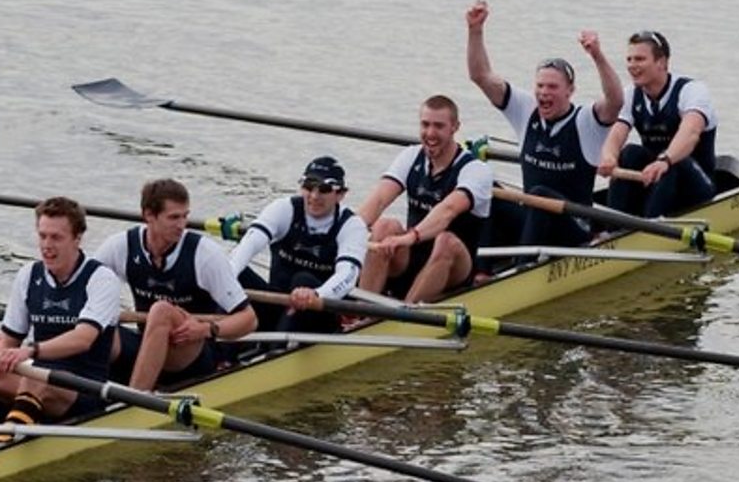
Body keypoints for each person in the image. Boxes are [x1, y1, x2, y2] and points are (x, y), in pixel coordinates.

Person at [466, 0, 623, 260]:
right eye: (540, 86)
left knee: (539, 197)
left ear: (570, 91)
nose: (543, 93)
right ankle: (480, 270)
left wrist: (597, 55)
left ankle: (521, 270)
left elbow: (616, 101)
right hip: (534, 218)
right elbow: (480, 76)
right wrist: (475, 31)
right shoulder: (525, 109)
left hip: (575, 227)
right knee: (486, 186)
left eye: (552, 87)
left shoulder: (586, 121)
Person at [0, 197, 121, 446]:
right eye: (42, 236)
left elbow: (84, 339)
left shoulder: (101, 278)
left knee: (34, 375)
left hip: (84, 389)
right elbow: (10, 337)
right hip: (39, 379)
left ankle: (3, 446)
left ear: (77, 238)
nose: (47, 246)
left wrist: (31, 350)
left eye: (56, 238)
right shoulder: (28, 275)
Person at [95, 178, 257, 391]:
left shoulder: (204, 254)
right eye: (173, 218)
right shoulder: (120, 246)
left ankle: (135, 401)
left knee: (161, 310)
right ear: (149, 216)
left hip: (191, 355)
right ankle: (81, 397)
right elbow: (82, 289)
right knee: (94, 325)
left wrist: (206, 329)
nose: (182, 225)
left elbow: (249, 319)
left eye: (185, 216)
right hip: (148, 344)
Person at [357, 95, 494, 302]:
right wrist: (347, 228)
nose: (430, 133)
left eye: (439, 126)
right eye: (425, 124)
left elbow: (447, 211)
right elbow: (379, 199)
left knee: (445, 241)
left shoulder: (476, 170)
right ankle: (361, 311)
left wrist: (409, 237)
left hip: (454, 267)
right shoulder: (411, 156)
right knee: (385, 226)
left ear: (455, 127)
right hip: (412, 257)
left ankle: (404, 315)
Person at [229, 156, 368, 333]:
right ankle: (221, 352)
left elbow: (347, 276)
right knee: (227, 272)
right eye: (309, 187)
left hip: (320, 312)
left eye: (324, 189)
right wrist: (228, 276)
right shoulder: (283, 209)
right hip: (276, 304)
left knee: (302, 279)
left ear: (340, 194)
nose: (314, 196)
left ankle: (276, 351)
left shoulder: (352, 226)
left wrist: (317, 295)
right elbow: (250, 244)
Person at [599, 30, 718, 217]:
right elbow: (617, 133)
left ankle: (649, 226)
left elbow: (691, 132)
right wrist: (608, 157)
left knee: (672, 163)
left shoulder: (691, 91)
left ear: (661, 62)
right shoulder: (631, 94)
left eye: (639, 59)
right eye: (629, 59)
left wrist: (665, 160)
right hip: (655, 181)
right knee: (629, 152)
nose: (632, 66)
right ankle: (613, 227)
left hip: (697, 187)